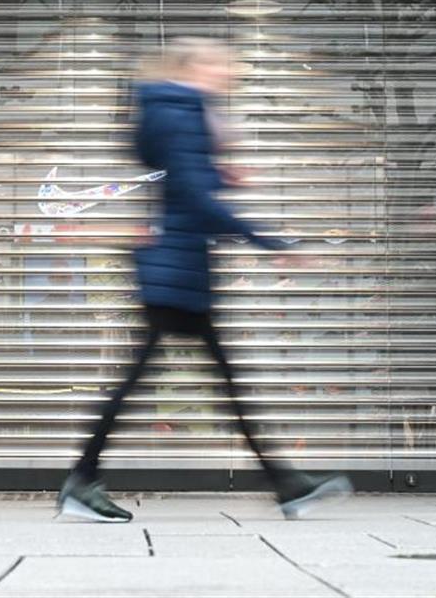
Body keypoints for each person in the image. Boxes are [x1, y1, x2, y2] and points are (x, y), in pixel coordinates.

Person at [57, 37, 353, 522]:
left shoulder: (179, 109)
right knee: (153, 380)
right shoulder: (183, 109)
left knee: (212, 380)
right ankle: (82, 481)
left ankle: (285, 484)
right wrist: (269, 241)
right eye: (219, 62)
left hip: (179, 268)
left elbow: (182, 182)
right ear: (194, 67)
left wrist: (220, 176)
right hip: (176, 270)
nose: (229, 69)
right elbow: (191, 196)